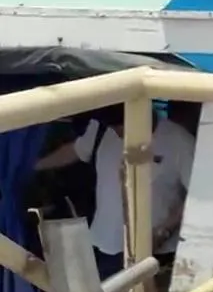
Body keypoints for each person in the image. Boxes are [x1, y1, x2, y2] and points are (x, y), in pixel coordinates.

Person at [36, 104, 195, 281]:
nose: (117, 131)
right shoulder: (101, 129)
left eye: (121, 125)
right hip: (102, 245)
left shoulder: (179, 141)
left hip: (153, 252)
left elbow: (197, 194)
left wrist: (163, 231)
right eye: (113, 126)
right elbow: (76, 151)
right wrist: (32, 167)